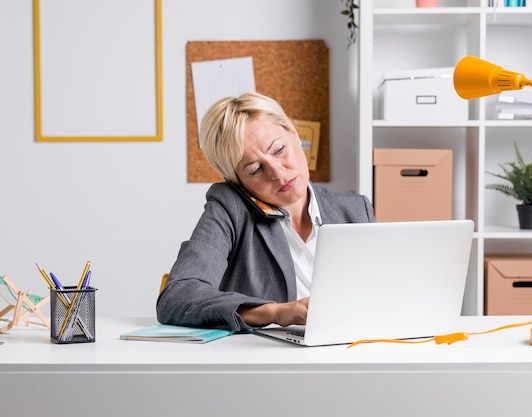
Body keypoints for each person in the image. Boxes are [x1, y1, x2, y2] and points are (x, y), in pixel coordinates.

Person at [156, 92, 375, 331]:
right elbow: (176, 297)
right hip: (270, 362)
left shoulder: (356, 210)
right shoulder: (230, 208)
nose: (278, 174)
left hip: (353, 351)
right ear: (238, 182)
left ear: (293, 132)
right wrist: (276, 312)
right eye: (255, 169)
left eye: (279, 150)